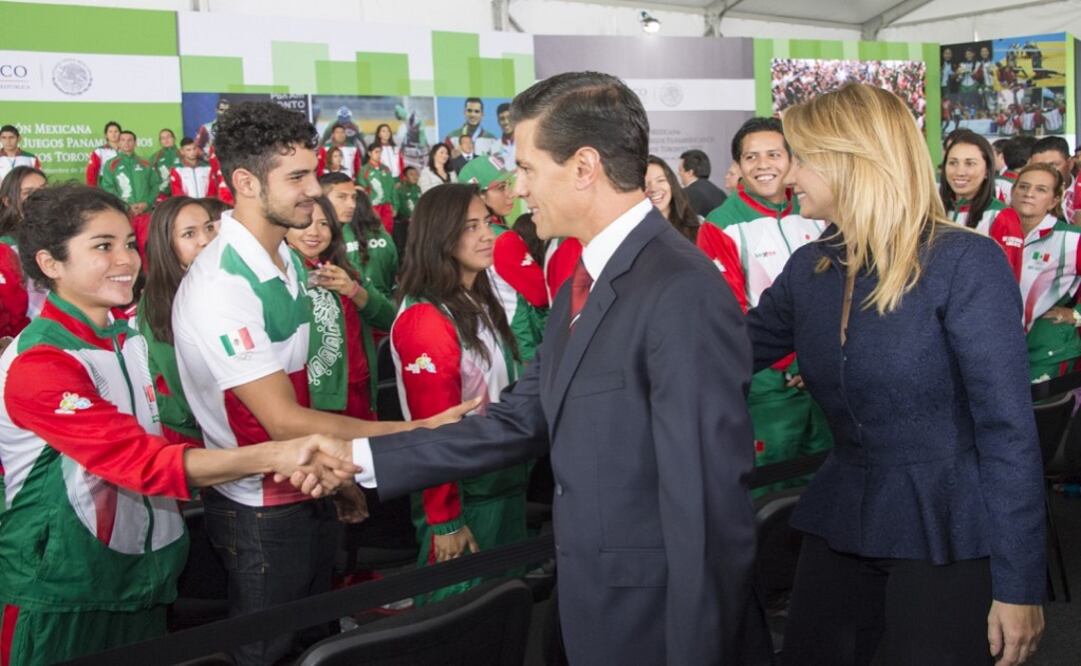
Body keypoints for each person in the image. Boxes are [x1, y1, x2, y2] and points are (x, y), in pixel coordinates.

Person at [304, 71, 770, 666]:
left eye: (525, 168)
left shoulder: (679, 289)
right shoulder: (586, 280)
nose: (516, 189)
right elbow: (517, 422)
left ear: (583, 167)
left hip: (656, 621)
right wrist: (361, 460)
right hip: (593, 603)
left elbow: (707, 512)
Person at [748, 83, 1044, 666]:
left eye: (801, 160)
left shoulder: (964, 262)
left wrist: (1019, 582)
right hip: (843, 514)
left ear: (851, 161)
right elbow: (727, 351)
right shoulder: (813, 266)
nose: (788, 177)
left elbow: (1008, 432)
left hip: (948, 528)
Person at [0, 182, 357, 665]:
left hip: (143, 581)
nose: (126, 261)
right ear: (50, 264)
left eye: (129, 243)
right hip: (64, 595)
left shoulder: (126, 339)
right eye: (102, 247)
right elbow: (139, 461)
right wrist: (276, 453)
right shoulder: (40, 362)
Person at [171, 101, 468, 665]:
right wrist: (418, 427)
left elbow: (304, 397)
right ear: (245, 183)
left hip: (307, 484)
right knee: (267, 654)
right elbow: (282, 419)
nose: (315, 191)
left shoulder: (283, 258)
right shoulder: (221, 285)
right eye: (298, 178)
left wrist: (336, 480)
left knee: (320, 645)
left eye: (314, 171)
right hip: (258, 506)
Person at [393, 183, 530, 604]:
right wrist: (445, 519)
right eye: (470, 226)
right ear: (441, 235)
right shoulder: (426, 318)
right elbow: (435, 430)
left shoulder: (478, 297)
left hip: (503, 484)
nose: (487, 234)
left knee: (504, 609)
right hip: (466, 495)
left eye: (485, 222)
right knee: (457, 617)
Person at [697, 116, 832, 493]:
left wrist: (816, 358)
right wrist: (791, 360)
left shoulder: (817, 212)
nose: (763, 165)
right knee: (770, 493)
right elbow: (728, 309)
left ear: (791, 160)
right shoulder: (721, 225)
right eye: (751, 157)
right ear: (737, 166)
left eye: (774, 154)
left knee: (826, 483)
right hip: (766, 382)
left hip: (824, 378)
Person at [138, 196, 219, 444]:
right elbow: (179, 381)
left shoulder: (216, 283)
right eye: (189, 234)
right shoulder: (158, 300)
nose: (205, 240)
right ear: (167, 245)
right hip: (190, 431)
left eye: (208, 228)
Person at [285, 196, 374, 421]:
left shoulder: (343, 269)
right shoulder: (280, 273)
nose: (314, 232)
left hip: (359, 386)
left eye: (323, 224)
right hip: (317, 399)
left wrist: (352, 289)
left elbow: (387, 316)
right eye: (304, 223)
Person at [320, 173, 397, 414]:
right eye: (342, 197)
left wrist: (353, 290)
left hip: (361, 377)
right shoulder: (292, 262)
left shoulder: (344, 262)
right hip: (325, 394)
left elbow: (388, 317)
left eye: (353, 197)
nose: (351, 204)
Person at [1013, 163, 1081, 381]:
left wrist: (1077, 314)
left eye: (1041, 189)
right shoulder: (995, 231)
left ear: (1053, 200)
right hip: (1001, 349)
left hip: (1047, 352)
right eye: (1023, 186)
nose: (1029, 194)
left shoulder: (1071, 238)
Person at [939, 131, 1023, 279]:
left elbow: (1005, 282)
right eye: (953, 163)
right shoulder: (934, 210)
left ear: (987, 171)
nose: (960, 172)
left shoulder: (1002, 217)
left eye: (970, 163)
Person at [0, 166, 47, 321]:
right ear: (8, 201)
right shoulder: (7, 248)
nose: (39, 197)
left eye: (43, 189)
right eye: (28, 193)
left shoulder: (64, 234)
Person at [647, 155, 700, 242]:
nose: (653, 188)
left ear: (671, 184)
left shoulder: (696, 228)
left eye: (660, 180)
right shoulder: (631, 233)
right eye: (645, 184)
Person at [1029, 136, 1077, 223]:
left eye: (1053, 165)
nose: (1046, 172)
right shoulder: (1027, 198)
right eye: (1038, 167)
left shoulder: (1078, 192)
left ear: (1070, 164)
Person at [356, 142, 399, 235]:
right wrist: (366, 207)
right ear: (369, 153)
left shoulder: (385, 169)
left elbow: (392, 189)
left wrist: (395, 205)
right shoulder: (364, 170)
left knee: (388, 232)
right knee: (373, 231)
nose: (379, 154)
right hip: (373, 206)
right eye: (376, 152)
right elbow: (362, 191)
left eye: (380, 152)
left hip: (387, 206)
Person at [678, 148, 727, 217]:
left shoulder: (687, 193)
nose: (679, 173)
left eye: (680, 170)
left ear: (690, 172)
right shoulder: (720, 193)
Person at [85, 120, 120, 188]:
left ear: (120, 134)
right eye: (110, 131)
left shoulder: (126, 150)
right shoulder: (99, 151)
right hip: (106, 186)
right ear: (106, 135)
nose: (113, 134)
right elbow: (91, 172)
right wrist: (91, 190)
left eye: (116, 131)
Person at [151, 128, 180, 200]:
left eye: (168, 137)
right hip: (162, 194)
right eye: (163, 138)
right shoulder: (155, 156)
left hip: (180, 193)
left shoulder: (182, 153)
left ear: (174, 138)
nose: (166, 140)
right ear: (160, 141)